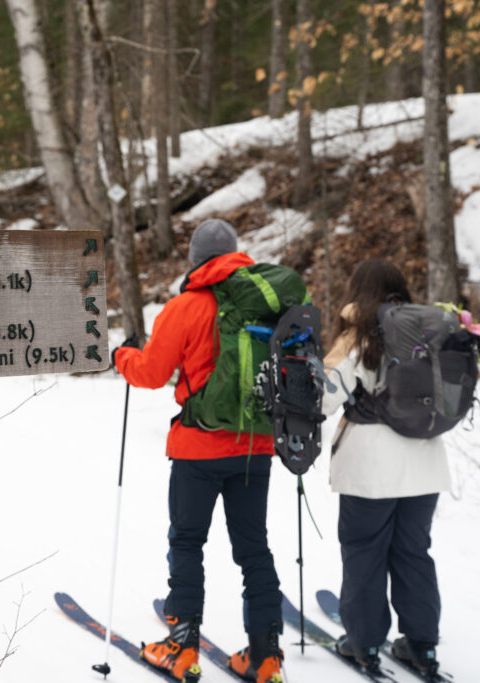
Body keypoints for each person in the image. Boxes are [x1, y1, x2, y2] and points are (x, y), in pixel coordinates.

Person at [112, 218, 284, 683]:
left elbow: (150, 372)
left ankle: (181, 649)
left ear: (195, 261)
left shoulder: (186, 306)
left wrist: (122, 356)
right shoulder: (265, 304)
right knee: (254, 548)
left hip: (198, 448)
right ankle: (267, 657)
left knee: (187, 542)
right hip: (255, 445)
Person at [321, 259, 450, 678]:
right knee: (414, 553)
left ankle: (362, 642)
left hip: (371, 468)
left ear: (359, 291)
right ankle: (421, 645)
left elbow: (323, 398)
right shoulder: (428, 331)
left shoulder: (358, 336)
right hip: (425, 464)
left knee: (364, 553)